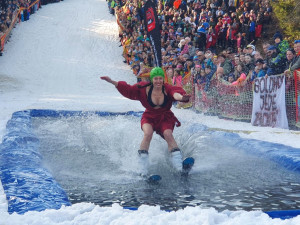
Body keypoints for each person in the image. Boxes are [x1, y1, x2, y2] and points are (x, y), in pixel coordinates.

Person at [100, 67, 191, 174]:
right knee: (148, 134)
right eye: (156, 79)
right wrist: (111, 81)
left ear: (163, 79)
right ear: (152, 79)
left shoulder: (167, 88)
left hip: (165, 117)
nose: (158, 81)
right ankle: (142, 168)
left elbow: (175, 93)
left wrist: (181, 98)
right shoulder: (143, 88)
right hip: (149, 116)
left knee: (168, 134)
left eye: (160, 78)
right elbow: (128, 89)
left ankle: (179, 167)